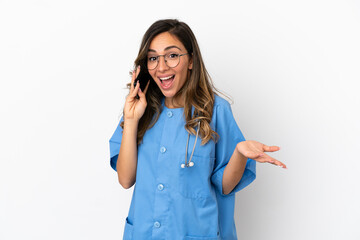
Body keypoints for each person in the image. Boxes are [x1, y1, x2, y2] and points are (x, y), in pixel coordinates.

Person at [109, 19, 287, 240]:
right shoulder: (141, 111)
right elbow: (126, 179)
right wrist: (131, 118)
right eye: (153, 58)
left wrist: (239, 153)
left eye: (172, 55)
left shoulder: (216, 111)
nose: (162, 67)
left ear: (191, 60)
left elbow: (225, 185)